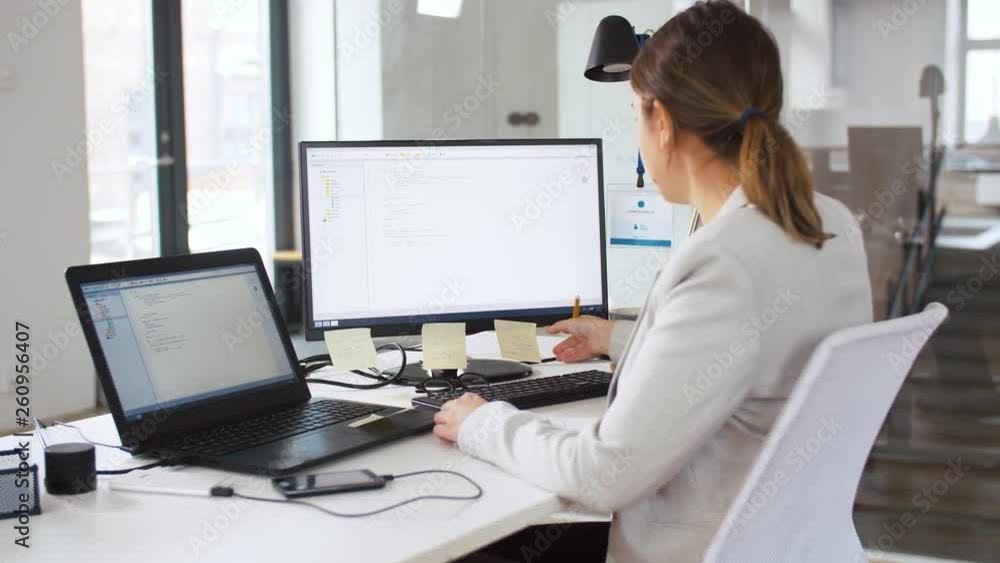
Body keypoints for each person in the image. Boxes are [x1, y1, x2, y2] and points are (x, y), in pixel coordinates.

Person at [433, 1, 873, 561]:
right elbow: (747, 351)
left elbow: (603, 473)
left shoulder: (723, 262)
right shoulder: (828, 222)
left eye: (636, 114)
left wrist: (483, 423)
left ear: (661, 122)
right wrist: (617, 338)